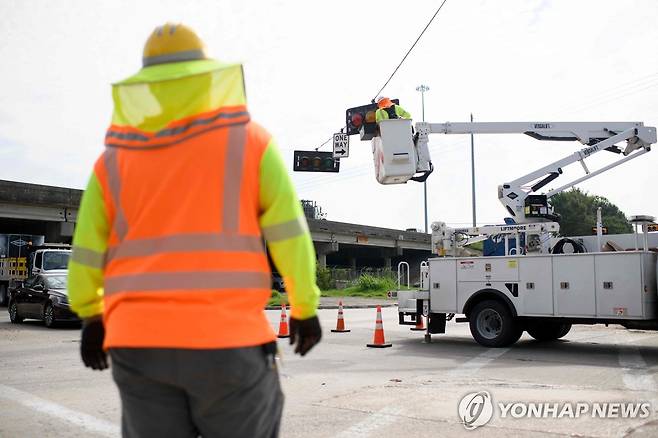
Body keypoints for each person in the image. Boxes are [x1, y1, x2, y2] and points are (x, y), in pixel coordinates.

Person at [67, 23, 322, 438]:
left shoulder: (112, 161)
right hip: (229, 344)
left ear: (147, 87)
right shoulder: (251, 143)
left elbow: (87, 250)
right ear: (206, 78)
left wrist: (90, 316)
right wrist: (303, 307)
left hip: (137, 345)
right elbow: (289, 237)